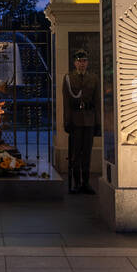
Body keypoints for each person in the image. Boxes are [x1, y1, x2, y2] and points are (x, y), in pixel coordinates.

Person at [62, 49, 100, 194]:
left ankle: (86, 183)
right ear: (74, 63)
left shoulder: (94, 78)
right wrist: (67, 121)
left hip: (89, 120)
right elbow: (66, 102)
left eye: (84, 61)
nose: (82, 64)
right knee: (76, 153)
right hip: (75, 121)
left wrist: (98, 122)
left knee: (87, 153)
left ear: (87, 63)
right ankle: (77, 183)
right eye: (79, 61)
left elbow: (97, 101)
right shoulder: (68, 78)